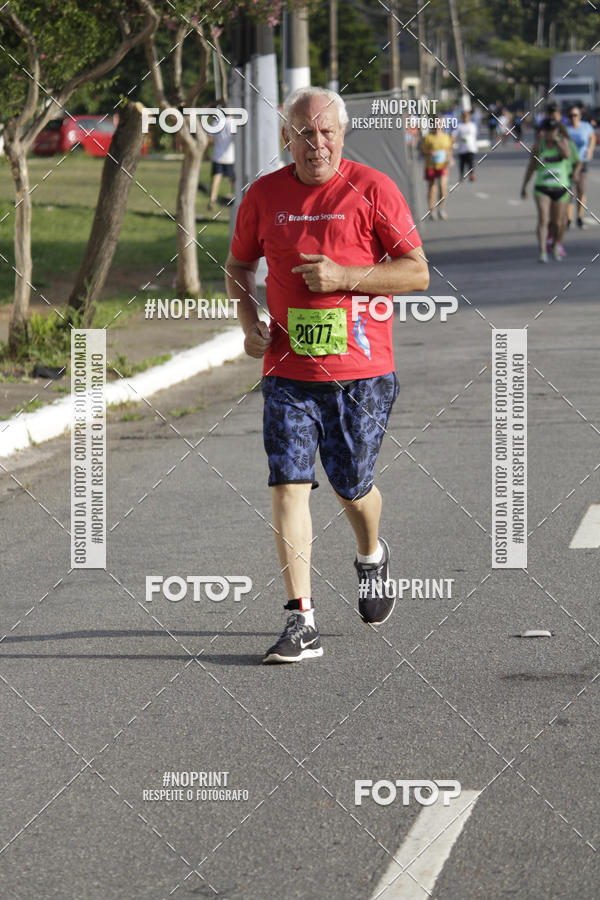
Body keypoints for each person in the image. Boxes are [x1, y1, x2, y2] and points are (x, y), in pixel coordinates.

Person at [225, 86, 429, 664]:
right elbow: (239, 265)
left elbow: (417, 274)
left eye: (326, 132)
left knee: (351, 486)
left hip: (361, 374)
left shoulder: (372, 189)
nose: (316, 143)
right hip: (287, 370)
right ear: (285, 138)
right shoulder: (263, 195)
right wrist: (249, 323)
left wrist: (343, 276)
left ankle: (371, 554)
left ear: (342, 134)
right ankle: (301, 620)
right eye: (303, 133)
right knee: (287, 483)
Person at [520, 117, 571, 263]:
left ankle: (555, 245)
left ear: (557, 131)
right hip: (542, 187)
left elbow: (567, 155)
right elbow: (531, 167)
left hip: (560, 187)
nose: (550, 133)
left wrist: (556, 141)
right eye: (548, 130)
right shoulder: (538, 146)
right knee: (544, 219)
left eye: (553, 130)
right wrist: (524, 186)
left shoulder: (563, 142)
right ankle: (542, 251)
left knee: (558, 222)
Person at [566, 105, 596, 228]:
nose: (573, 117)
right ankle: (568, 219)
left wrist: (590, 149)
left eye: (575, 115)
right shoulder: (566, 129)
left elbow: (592, 138)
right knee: (569, 191)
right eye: (571, 115)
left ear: (580, 116)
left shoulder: (586, 127)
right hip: (569, 163)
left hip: (582, 161)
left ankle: (579, 217)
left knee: (581, 189)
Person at [420, 123, 453, 219]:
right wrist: (429, 152)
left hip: (443, 166)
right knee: (432, 189)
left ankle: (441, 208)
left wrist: (450, 159)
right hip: (431, 166)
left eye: (440, 124)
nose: (438, 126)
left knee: (443, 187)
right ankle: (431, 210)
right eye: (436, 124)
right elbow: (422, 152)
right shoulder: (428, 138)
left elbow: (449, 150)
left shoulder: (446, 137)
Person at [208, 102, 234, 210]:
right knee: (233, 179)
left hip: (217, 155)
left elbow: (209, 138)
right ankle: (234, 197)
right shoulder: (233, 123)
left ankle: (212, 200)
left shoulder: (216, 123)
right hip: (230, 156)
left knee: (216, 178)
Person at [452, 110, 478, 181]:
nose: (465, 118)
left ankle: (471, 175)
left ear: (469, 118)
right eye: (464, 117)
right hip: (462, 148)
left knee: (470, 162)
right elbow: (454, 136)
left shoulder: (472, 125)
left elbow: (474, 135)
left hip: (470, 148)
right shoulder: (459, 126)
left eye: (466, 117)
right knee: (462, 163)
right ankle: (461, 175)